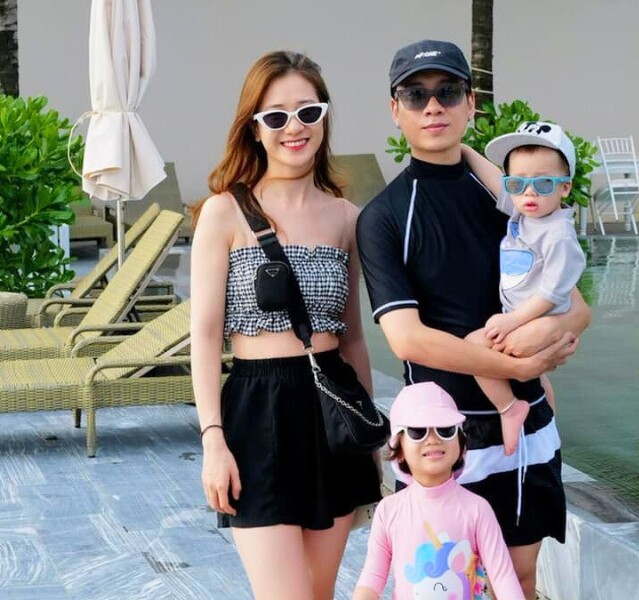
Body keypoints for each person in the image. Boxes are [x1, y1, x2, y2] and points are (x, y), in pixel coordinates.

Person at [356, 39, 591, 598]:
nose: (433, 106)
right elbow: (408, 340)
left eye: (448, 91)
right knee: (442, 584)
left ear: (471, 103)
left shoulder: (511, 198)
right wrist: (521, 364)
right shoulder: (384, 217)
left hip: (527, 430)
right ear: (395, 109)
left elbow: (576, 304)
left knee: (521, 580)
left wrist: (544, 347)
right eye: (416, 95)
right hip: (439, 435)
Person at [190, 50, 382, 600]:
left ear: (324, 118)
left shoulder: (347, 218)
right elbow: (205, 336)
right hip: (256, 410)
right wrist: (212, 440)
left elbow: (352, 337)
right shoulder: (224, 212)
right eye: (276, 116)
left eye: (307, 112)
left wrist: (370, 436)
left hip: (332, 411)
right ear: (254, 128)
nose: (293, 127)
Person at [461, 122, 587, 456]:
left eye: (543, 183)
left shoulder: (557, 234)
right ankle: (549, 421)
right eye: (517, 183)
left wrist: (512, 320)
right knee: (540, 381)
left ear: (565, 188)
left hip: (538, 318)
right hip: (523, 315)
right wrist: (463, 149)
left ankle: (508, 407)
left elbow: (553, 293)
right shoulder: (525, 213)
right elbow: (494, 178)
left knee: (473, 347)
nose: (529, 193)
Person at [353, 382, 525, 600]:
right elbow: (372, 577)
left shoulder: (477, 509)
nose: (433, 440)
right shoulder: (389, 510)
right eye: (418, 432)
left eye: (445, 430)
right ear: (399, 450)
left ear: (462, 445)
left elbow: (503, 576)